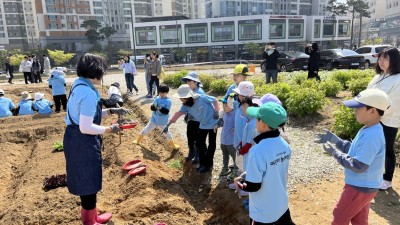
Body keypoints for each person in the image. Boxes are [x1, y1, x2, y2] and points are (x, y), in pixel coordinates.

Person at [63, 53, 131, 225]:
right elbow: (85, 127)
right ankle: (89, 221)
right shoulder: (87, 93)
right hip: (83, 140)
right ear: (96, 73)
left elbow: (84, 117)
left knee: (89, 180)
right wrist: (110, 129)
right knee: (87, 181)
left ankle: (92, 216)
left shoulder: (78, 85)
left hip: (76, 138)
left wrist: (110, 111)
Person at [318, 89, 391, 225]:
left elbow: (358, 165)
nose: (355, 111)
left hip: (359, 187)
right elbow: (355, 150)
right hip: (367, 187)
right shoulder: (370, 128)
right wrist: (337, 141)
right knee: (359, 219)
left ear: (372, 111)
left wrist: (335, 153)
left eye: (358, 108)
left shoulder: (372, 136)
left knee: (339, 216)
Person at [234, 101, 294, 225]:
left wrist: (239, 184)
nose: (255, 121)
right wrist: (246, 174)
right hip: (281, 204)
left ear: (263, 123)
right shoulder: (284, 145)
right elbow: (273, 169)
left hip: (263, 211)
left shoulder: (257, 151)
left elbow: (253, 186)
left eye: (257, 118)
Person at [366, 47, 400, 190]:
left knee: (387, 148)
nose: (381, 61)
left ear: (394, 60)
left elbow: (393, 102)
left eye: (385, 59)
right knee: (375, 147)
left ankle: (387, 179)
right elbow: (368, 94)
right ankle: (376, 175)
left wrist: (376, 113)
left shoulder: (398, 79)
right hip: (373, 118)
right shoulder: (378, 77)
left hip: (389, 119)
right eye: (380, 58)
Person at [167, 84, 220, 173]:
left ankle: (208, 165)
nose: (180, 99)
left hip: (212, 123)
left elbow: (215, 100)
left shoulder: (202, 98)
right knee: (200, 143)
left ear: (188, 96)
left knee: (211, 144)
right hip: (202, 124)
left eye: (182, 97)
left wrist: (217, 111)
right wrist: (169, 124)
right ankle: (202, 163)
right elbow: (179, 113)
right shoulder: (186, 105)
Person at [133, 85, 180, 149]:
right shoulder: (157, 98)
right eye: (160, 93)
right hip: (154, 119)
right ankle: (138, 140)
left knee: (166, 132)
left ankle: (173, 145)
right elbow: (152, 108)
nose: (161, 94)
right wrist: (153, 107)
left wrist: (160, 108)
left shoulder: (168, 101)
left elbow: (166, 112)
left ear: (167, 92)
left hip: (162, 121)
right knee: (146, 129)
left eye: (163, 93)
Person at [180, 71, 206, 163]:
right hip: (191, 119)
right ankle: (192, 153)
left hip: (199, 120)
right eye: (187, 81)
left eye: (189, 81)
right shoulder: (189, 91)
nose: (188, 83)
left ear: (195, 82)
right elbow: (185, 105)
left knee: (198, 139)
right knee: (190, 137)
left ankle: (199, 156)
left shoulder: (200, 93)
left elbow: (201, 108)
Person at [214, 96, 237, 177]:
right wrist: (217, 125)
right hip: (223, 139)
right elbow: (221, 122)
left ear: (232, 106)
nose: (224, 108)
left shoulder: (235, 115)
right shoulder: (224, 113)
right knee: (225, 154)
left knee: (234, 156)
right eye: (223, 106)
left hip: (231, 140)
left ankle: (236, 170)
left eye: (226, 106)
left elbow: (238, 125)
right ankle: (225, 167)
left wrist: (236, 129)